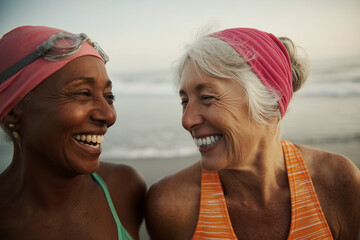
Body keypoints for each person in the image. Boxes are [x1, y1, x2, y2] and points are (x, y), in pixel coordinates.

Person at [145, 27, 360, 239]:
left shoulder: (337, 181)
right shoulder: (172, 206)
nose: (186, 120)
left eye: (207, 97)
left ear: (270, 101)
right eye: (184, 101)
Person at [0, 26, 146, 240]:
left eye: (109, 97)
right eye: (83, 93)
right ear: (13, 112)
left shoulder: (124, 188)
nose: (109, 115)